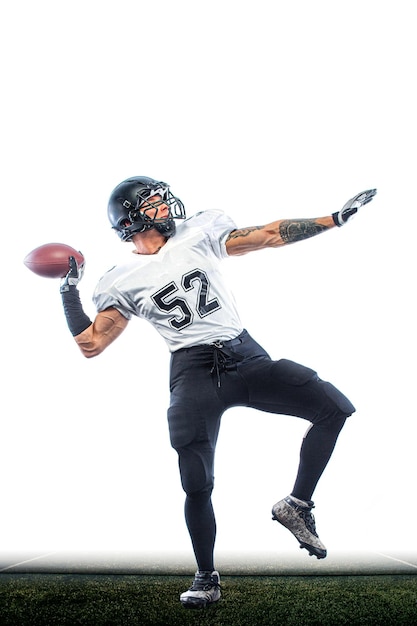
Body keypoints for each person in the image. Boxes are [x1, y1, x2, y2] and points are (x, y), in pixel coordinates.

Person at [60, 177, 376, 609]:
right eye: (153, 202)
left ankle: (297, 504)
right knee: (196, 482)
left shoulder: (198, 232)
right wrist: (68, 294)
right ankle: (206, 576)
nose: (165, 205)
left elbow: (266, 235)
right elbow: (91, 344)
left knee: (333, 407)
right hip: (193, 372)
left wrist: (333, 219)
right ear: (131, 219)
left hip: (244, 356)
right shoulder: (121, 279)